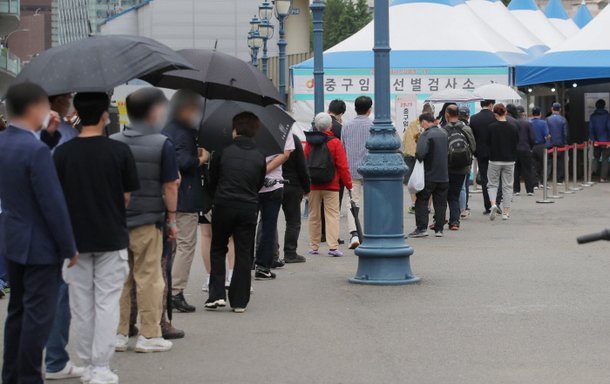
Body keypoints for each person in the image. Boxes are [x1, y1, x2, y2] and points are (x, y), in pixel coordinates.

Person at [54, 92, 139, 384]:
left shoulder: (62, 154)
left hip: (73, 239)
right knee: (106, 302)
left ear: (76, 113)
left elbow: (56, 198)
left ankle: (87, 363)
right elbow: (127, 196)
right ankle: (101, 366)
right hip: (111, 234)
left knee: (80, 304)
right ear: (106, 115)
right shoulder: (119, 152)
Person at [0, 82, 78, 384]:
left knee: (17, 312)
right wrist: (69, 247)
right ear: (34, 107)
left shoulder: (7, 142)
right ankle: (30, 377)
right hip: (40, 245)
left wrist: (48, 137)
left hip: (13, 238)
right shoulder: (34, 151)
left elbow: (21, 174)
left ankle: (12, 376)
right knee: (38, 316)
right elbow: (52, 203)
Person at [112, 87, 181, 353]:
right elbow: (170, 186)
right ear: (153, 112)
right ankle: (149, 333)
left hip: (118, 221)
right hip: (149, 218)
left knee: (121, 278)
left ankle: (120, 332)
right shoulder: (162, 143)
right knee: (150, 277)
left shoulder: (115, 140)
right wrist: (172, 220)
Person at [42, 93, 85, 381]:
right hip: (60, 220)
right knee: (60, 290)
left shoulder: (19, 134)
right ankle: (55, 359)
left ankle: (25, 359)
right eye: (67, 96)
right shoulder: (68, 135)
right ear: (57, 100)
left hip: (21, 225)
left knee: (28, 295)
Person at [205, 112, 267, 312]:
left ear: (234, 130)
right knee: (243, 252)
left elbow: (212, 180)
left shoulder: (222, 152)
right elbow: (258, 183)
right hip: (248, 207)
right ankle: (239, 300)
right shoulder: (259, 155)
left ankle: (216, 295)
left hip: (223, 204)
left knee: (218, 248)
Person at [163, 90, 207, 313]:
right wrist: (201, 159)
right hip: (185, 195)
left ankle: (168, 289)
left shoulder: (167, 127)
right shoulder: (182, 131)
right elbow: (181, 161)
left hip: (172, 196)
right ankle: (175, 292)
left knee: (171, 247)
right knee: (186, 245)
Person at [305, 113, 353, 256]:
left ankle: (314, 246)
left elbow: (304, 163)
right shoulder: (335, 143)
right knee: (332, 215)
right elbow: (343, 166)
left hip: (313, 185)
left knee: (313, 215)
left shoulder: (309, 142)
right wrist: (349, 184)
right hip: (332, 185)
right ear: (330, 126)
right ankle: (333, 247)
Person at [255, 127, 295, 279]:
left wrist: (255, 171)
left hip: (248, 181)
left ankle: (243, 265)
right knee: (268, 226)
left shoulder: (246, 120)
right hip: (274, 184)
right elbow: (285, 154)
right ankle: (263, 266)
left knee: (246, 227)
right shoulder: (282, 125)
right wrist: (265, 170)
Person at [408, 113, 449, 238]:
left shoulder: (426, 135)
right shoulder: (444, 133)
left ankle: (421, 228)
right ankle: (439, 229)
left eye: (421, 123)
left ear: (424, 122)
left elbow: (420, 154)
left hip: (429, 174)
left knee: (422, 200)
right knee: (441, 202)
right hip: (443, 175)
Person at [341, 96, 372, 249]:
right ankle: (372, 231)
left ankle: (354, 234)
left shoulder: (346, 126)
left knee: (352, 201)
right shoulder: (374, 125)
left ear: (355, 108)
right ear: (369, 109)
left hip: (352, 168)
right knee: (373, 201)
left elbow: (343, 148)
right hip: (372, 169)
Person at [442, 105, 476, 231]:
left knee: (444, 194)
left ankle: (440, 219)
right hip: (463, 167)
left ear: (447, 114)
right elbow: (473, 147)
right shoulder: (466, 129)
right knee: (455, 194)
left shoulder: (443, 130)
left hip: (447, 166)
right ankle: (455, 222)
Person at [281, 133, 311, 263]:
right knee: (293, 221)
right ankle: (290, 252)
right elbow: (302, 166)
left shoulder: (266, 138)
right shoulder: (292, 139)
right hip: (292, 184)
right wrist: (307, 187)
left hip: (271, 183)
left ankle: (270, 253)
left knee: (267, 221)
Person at [486, 103, 519, 221]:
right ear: (505, 112)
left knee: (492, 184)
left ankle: (494, 204)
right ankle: (506, 212)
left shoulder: (491, 127)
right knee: (508, 186)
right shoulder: (514, 127)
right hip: (510, 160)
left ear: (495, 114)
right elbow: (516, 143)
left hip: (494, 160)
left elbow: (487, 143)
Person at [470, 99, 501, 214]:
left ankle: (488, 206)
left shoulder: (474, 118)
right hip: (495, 153)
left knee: (485, 179)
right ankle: (496, 203)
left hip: (481, 152)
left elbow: (472, 137)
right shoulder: (495, 117)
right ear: (491, 105)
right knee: (496, 178)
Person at [403, 104, 432, 214]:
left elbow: (406, 140)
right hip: (427, 157)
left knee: (413, 181)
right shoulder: (433, 126)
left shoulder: (412, 125)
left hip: (412, 156)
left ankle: (414, 203)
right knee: (428, 182)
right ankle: (428, 206)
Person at [509, 105, 536, 196]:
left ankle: (516, 190)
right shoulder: (528, 124)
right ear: (523, 113)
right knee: (527, 170)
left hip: (515, 149)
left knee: (516, 170)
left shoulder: (512, 123)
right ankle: (529, 190)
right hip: (525, 149)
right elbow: (532, 138)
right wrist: (530, 147)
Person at [546, 102, 569, 183]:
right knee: (560, 162)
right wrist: (566, 143)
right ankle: (559, 179)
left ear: (552, 109)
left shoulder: (548, 119)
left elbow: (546, 132)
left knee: (548, 161)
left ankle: (547, 177)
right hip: (560, 144)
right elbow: (565, 133)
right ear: (560, 109)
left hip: (549, 144)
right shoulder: (563, 119)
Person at [589, 99, 610, 182]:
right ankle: (602, 178)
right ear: (604, 106)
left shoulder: (592, 116)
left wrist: (594, 140)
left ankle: (590, 175)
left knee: (596, 158)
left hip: (597, 141)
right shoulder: (608, 116)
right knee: (605, 159)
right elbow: (609, 128)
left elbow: (591, 129)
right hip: (606, 141)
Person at [530, 107, 551, 187]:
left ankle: (535, 184)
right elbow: (547, 135)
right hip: (541, 145)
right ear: (540, 114)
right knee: (544, 164)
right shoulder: (543, 123)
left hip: (531, 146)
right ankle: (543, 182)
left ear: (532, 114)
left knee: (533, 165)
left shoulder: (529, 122)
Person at [458, 106, 472, 219]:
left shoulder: (447, 127)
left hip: (451, 160)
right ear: (467, 115)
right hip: (466, 160)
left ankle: (456, 207)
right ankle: (463, 207)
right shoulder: (467, 128)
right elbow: (473, 145)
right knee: (464, 184)